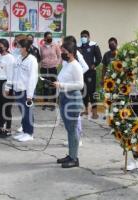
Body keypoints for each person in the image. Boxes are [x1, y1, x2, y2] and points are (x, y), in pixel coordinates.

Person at [55, 39, 84, 168]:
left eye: (64, 52)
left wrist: (61, 85)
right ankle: (70, 154)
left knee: (72, 129)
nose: (62, 54)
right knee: (69, 129)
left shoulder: (76, 65)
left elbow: (80, 85)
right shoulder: (67, 64)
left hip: (73, 100)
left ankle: (74, 158)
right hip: (64, 97)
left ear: (71, 52)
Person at [62, 35, 89, 147]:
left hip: (73, 88)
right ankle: (72, 138)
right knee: (70, 119)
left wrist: (76, 76)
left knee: (75, 117)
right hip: (66, 89)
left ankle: (77, 138)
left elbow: (85, 67)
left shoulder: (77, 55)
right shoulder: (66, 58)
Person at [12, 39, 38, 142]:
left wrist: (30, 95)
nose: (17, 48)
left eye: (19, 47)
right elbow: (15, 73)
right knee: (22, 112)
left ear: (25, 48)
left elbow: (33, 77)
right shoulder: (18, 58)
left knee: (28, 113)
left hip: (27, 91)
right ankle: (24, 131)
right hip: (18, 89)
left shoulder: (32, 60)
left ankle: (29, 133)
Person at [0, 39, 16, 138]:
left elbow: (11, 75)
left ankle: (8, 129)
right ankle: (0, 128)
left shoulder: (10, 58)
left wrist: (8, 88)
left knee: (6, 108)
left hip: (6, 84)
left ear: (6, 47)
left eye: (0, 45)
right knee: (0, 108)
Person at [78, 30, 102, 119]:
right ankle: (85, 110)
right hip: (82, 73)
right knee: (84, 92)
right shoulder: (78, 47)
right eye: (82, 36)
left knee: (92, 92)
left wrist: (94, 65)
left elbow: (99, 58)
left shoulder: (94, 45)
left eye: (84, 36)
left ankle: (95, 112)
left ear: (88, 37)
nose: (83, 38)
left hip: (91, 73)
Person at [39, 31, 61, 111]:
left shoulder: (55, 45)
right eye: (48, 37)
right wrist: (41, 65)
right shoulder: (41, 47)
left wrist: (57, 64)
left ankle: (53, 104)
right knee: (45, 86)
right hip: (44, 69)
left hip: (53, 68)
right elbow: (41, 57)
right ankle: (45, 103)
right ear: (44, 38)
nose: (50, 38)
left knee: (53, 85)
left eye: (51, 37)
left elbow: (59, 56)